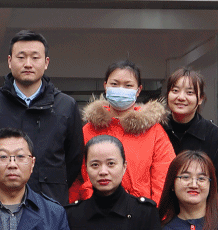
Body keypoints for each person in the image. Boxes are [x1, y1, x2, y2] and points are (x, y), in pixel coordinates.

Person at [0, 30, 84, 206]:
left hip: (50, 202)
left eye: (35, 57)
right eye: (21, 57)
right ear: (9, 61)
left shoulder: (66, 106)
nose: (28, 64)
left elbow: (74, 159)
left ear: (46, 62)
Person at [68, 60, 174, 204]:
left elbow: (164, 178)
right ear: (105, 86)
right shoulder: (88, 130)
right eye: (114, 84)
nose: (121, 89)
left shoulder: (154, 132)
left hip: (139, 211)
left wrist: (154, 213)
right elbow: (75, 177)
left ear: (138, 90)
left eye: (128, 85)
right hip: (94, 210)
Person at [161, 67, 218, 218]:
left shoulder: (215, 137)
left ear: (200, 99)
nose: (181, 97)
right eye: (175, 91)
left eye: (189, 92)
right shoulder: (157, 131)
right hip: (163, 218)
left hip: (203, 219)